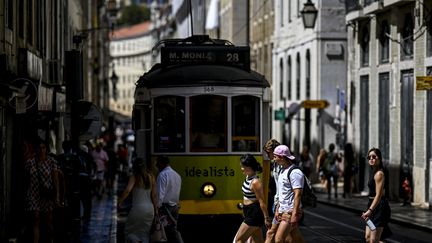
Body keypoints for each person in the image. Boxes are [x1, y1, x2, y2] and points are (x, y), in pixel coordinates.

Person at [24, 139, 61, 243]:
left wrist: (57, 196)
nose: (41, 150)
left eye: (43, 148)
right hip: (33, 194)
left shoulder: (51, 162)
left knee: (48, 221)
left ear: (46, 149)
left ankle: (51, 240)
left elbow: (55, 179)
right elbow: (26, 179)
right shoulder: (30, 162)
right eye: (39, 148)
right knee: (35, 218)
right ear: (36, 149)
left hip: (47, 195)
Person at [118, 158, 157, 243]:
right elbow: (154, 195)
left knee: (128, 231)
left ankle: (136, 241)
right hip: (150, 210)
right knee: (145, 233)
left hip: (138, 209)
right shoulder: (151, 176)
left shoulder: (135, 176)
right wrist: (156, 210)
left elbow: (128, 190)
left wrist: (120, 201)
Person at [235, 154, 271, 243]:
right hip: (248, 212)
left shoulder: (255, 182)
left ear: (249, 167)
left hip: (254, 214)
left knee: (239, 240)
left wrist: (266, 218)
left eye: (243, 167)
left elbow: (262, 202)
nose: (241, 169)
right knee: (258, 241)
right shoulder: (248, 177)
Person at [272, 145, 305, 243]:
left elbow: (298, 194)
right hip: (283, 210)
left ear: (281, 157)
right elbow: (282, 193)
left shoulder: (295, 172)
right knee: (295, 239)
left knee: (278, 239)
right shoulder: (282, 170)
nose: (273, 159)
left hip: (290, 211)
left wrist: (294, 214)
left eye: (275, 156)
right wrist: (278, 208)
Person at [361, 148, 392, 243]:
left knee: (373, 240)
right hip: (372, 204)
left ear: (379, 159)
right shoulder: (373, 172)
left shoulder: (379, 174)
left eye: (374, 157)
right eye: (369, 157)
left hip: (379, 208)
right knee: (368, 238)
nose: (371, 159)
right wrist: (369, 209)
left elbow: (379, 195)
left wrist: (370, 210)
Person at [156, 155, 183, 243]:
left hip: (165, 208)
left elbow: (160, 194)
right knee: (173, 229)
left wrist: (157, 208)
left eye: (157, 163)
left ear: (161, 163)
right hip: (175, 207)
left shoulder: (162, 175)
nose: (156, 165)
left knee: (162, 231)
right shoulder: (177, 175)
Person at [263, 139, 281, 243]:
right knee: (291, 237)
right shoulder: (274, 165)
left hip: (282, 204)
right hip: (277, 202)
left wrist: (279, 204)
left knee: (271, 233)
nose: (267, 155)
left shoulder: (282, 166)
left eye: (268, 153)